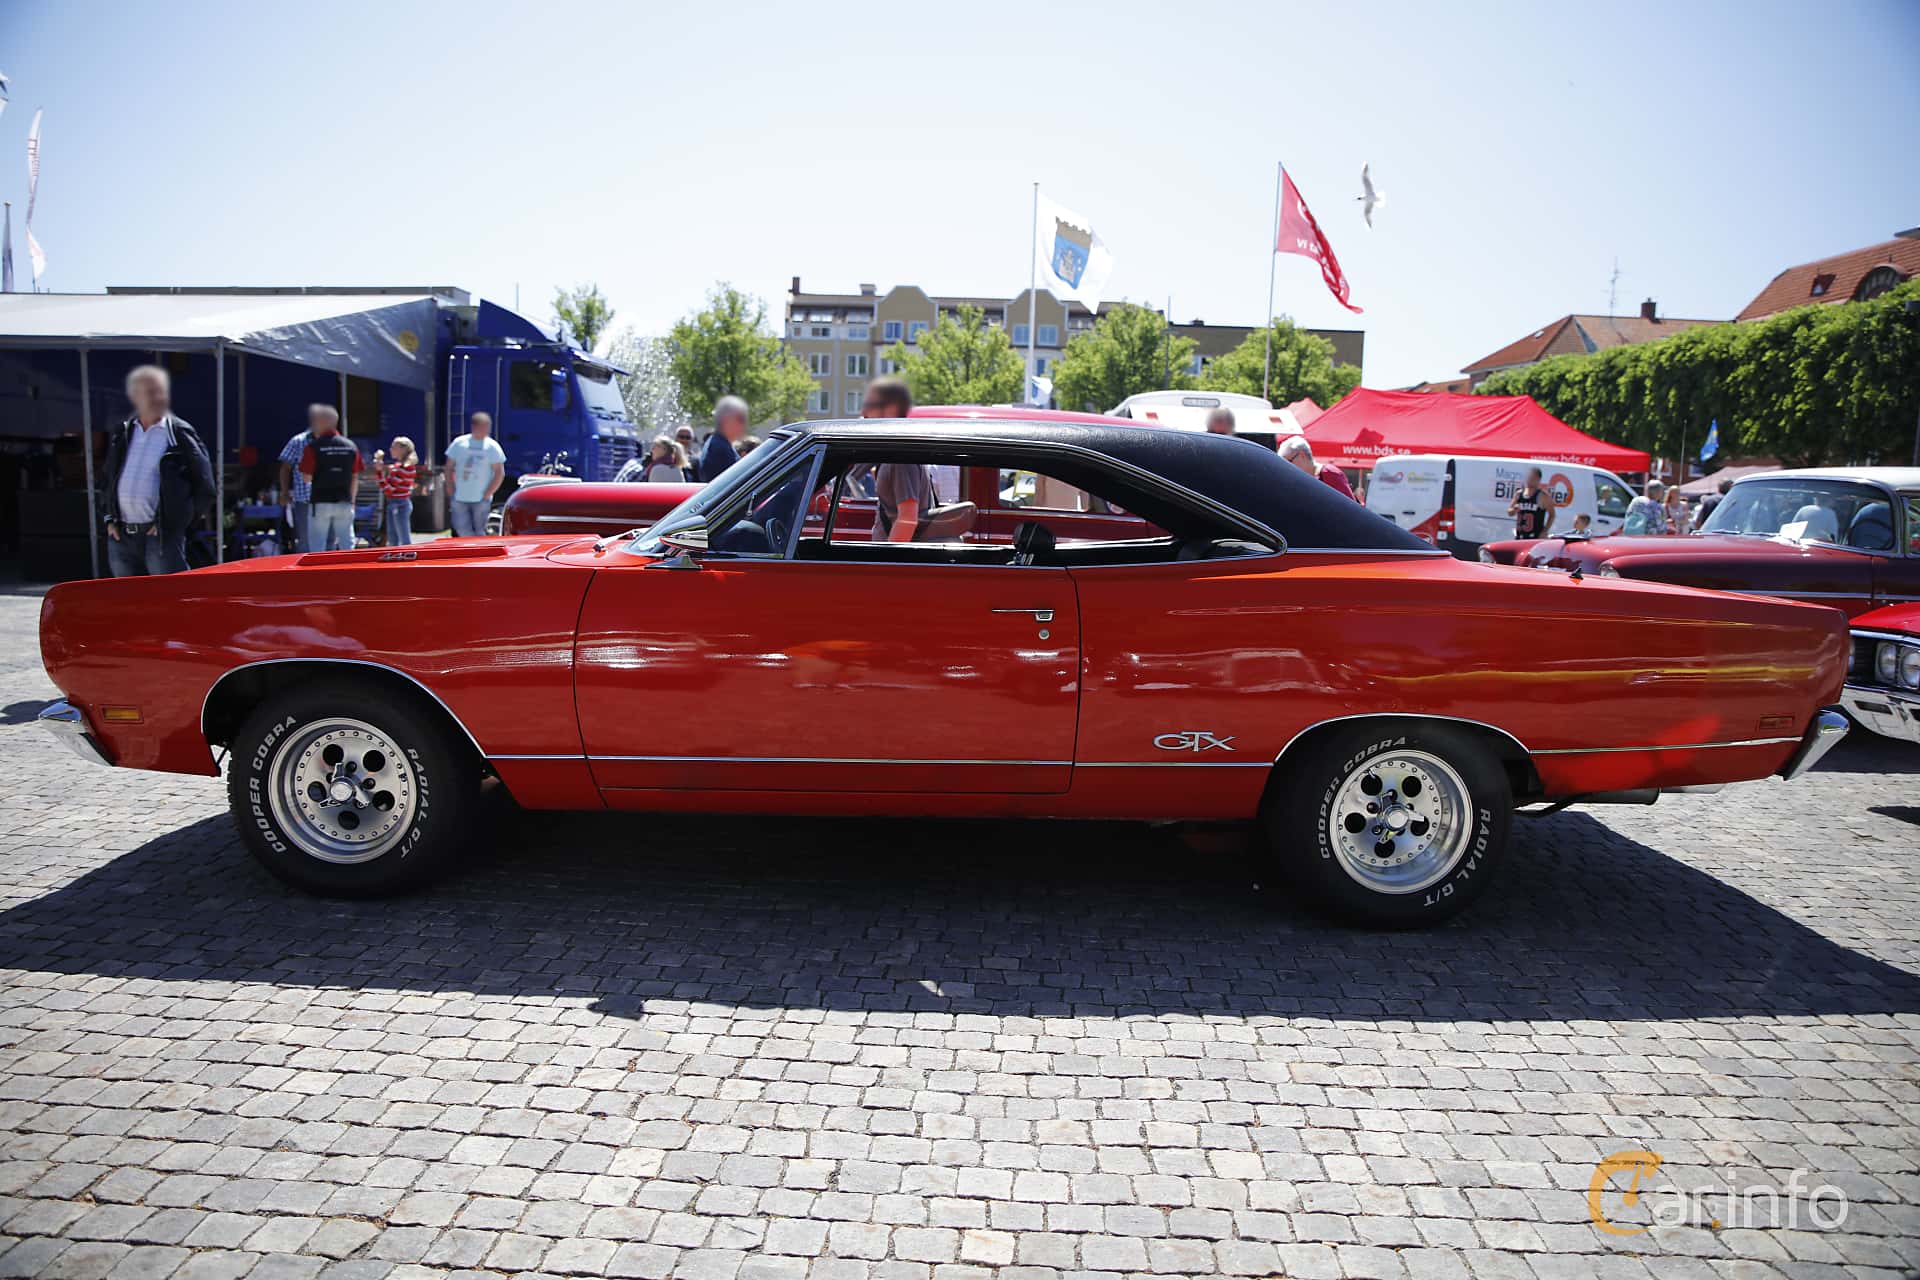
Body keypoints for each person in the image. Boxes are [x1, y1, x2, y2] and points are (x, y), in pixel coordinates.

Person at [103, 364, 214, 576]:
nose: (158, 397)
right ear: (135, 396)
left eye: (161, 391)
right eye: (150, 392)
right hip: (121, 536)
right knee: (128, 602)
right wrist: (109, 518)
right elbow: (106, 480)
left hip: (161, 538)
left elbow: (205, 486)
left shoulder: (178, 433)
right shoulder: (124, 433)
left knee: (168, 600)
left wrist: (175, 524)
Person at [862, 377, 932, 543]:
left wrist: (886, 563)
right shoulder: (896, 453)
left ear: (891, 409)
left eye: (870, 405)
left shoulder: (900, 458)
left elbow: (907, 520)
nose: (864, 414)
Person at [298, 405, 362, 552]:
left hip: (320, 502)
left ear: (322, 422)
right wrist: (352, 500)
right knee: (347, 544)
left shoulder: (313, 447)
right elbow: (355, 476)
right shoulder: (351, 446)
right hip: (344, 502)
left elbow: (306, 478)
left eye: (314, 421)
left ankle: (319, 574)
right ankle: (351, 572)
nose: (312, 424)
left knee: (317, 545)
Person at [444, 411, 506, 537]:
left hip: (481, 498)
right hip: (459, 496)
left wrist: (488, 493)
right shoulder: (459, 443)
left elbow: (499, 472)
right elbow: (449, 467)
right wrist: (450, 488)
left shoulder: (492, 446)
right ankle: (467, 550)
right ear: (474, 427)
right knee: (461, 528)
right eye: (483, 426)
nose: (487, 430)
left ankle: (477, 552)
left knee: (480, 531)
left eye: (488, 426)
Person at [277, 417, 315, 556]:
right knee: (304, 541)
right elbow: (285, 468)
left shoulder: (330, 441)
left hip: (325, 500)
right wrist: (284, 492)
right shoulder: (298, 441)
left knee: (327, 541)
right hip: (303, 499)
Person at [1278, 435, 1356, 500]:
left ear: (1302, 455)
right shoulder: (1301, 482)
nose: (1287, 468)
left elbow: (1351, 508)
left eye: (1289, 462)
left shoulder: (1329, 473)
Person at [374, 436, 417, 547]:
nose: (390, 449)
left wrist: (379, 473)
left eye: (394, 447)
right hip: (394, 503)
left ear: (403, 450)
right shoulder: (398, 467)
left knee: (403, 539)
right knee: (393, 540)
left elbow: (388, 490)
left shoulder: (405, 468)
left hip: (399, 504)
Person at [699, 397, 750, 482]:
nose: (745, 424)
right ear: (725, 420)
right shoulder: (719, 449)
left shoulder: (718, 443)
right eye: (741, 419)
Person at [1508, 466, 1555, 539]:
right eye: (1528, 477)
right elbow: (1509, 512)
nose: (1529, 480)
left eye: (1532, 478)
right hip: (1520, 536)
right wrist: (1514, 510)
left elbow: (1552, 515)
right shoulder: (1519, 494)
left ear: (1538, 480)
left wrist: (1545, 531)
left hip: (1535, 536)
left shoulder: (1543, 496)